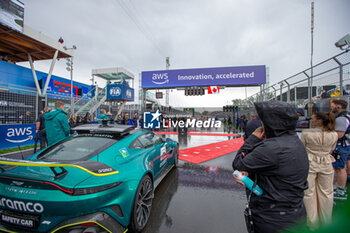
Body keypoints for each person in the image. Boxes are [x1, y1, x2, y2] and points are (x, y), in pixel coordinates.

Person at [232, 100, 309, 233]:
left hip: (273, 218)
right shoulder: (294, 141)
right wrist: (250, 174)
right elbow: (277, 167)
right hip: (293, 212)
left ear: (271, 123)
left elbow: (238, 164)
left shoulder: (271, 147)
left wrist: (253, 138)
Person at [301, 112, 338, 229]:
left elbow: (302, 148)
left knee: (309, 193)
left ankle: (312, 223)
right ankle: (326, 222)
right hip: (327, 162)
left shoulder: (306, 133)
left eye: (313, 119)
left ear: (319, 121)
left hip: (310, 162)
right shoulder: (334, 134)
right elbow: (332, 149)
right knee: (326, 193)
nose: (311, 120)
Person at [331, 99, 350, 200]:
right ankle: (339, 188)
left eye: (333, 105)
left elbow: (339, 135)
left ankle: (340, 190)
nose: (331, 107)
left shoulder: (341, 119)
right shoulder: (346, 115)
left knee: (339, 168)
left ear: (338, 106)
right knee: (340, 167)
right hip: (345, 146)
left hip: (340, 146)